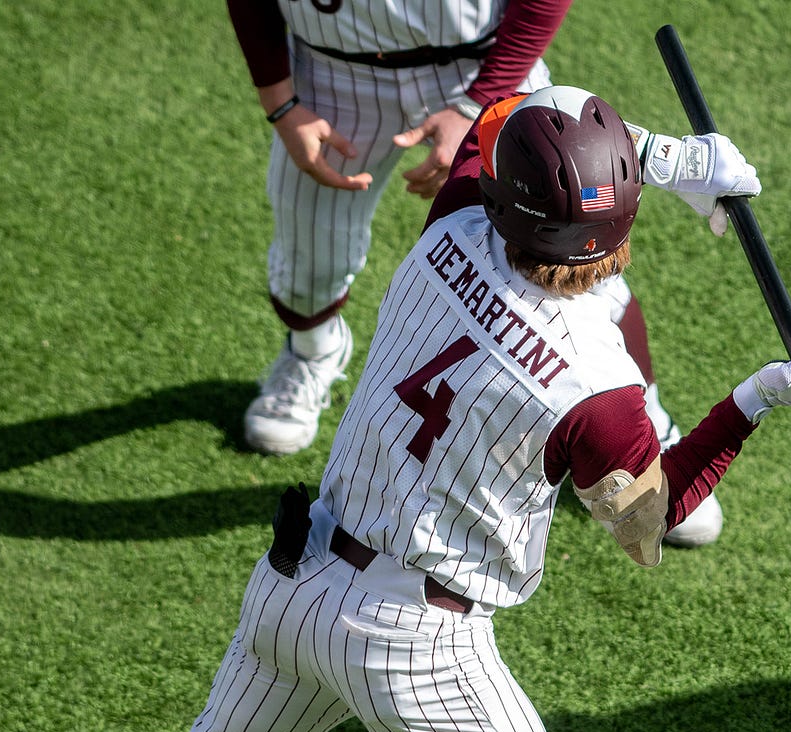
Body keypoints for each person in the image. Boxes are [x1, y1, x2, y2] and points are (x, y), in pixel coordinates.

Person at [117, 86, 791, 732]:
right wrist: (756, 398)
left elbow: (510, 110)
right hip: (420, 649)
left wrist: (665, 155)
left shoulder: (455, 224)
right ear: (623, 220)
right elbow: (647, 524)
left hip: (296, 586)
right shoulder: (603, 387)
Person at [226, 0, 724, 546]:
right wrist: (280, 101)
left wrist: (475, 103)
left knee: (583, 266)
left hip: (486, 66)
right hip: (328, 77)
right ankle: (311, 353)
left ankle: (638, 433)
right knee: (309, 263)